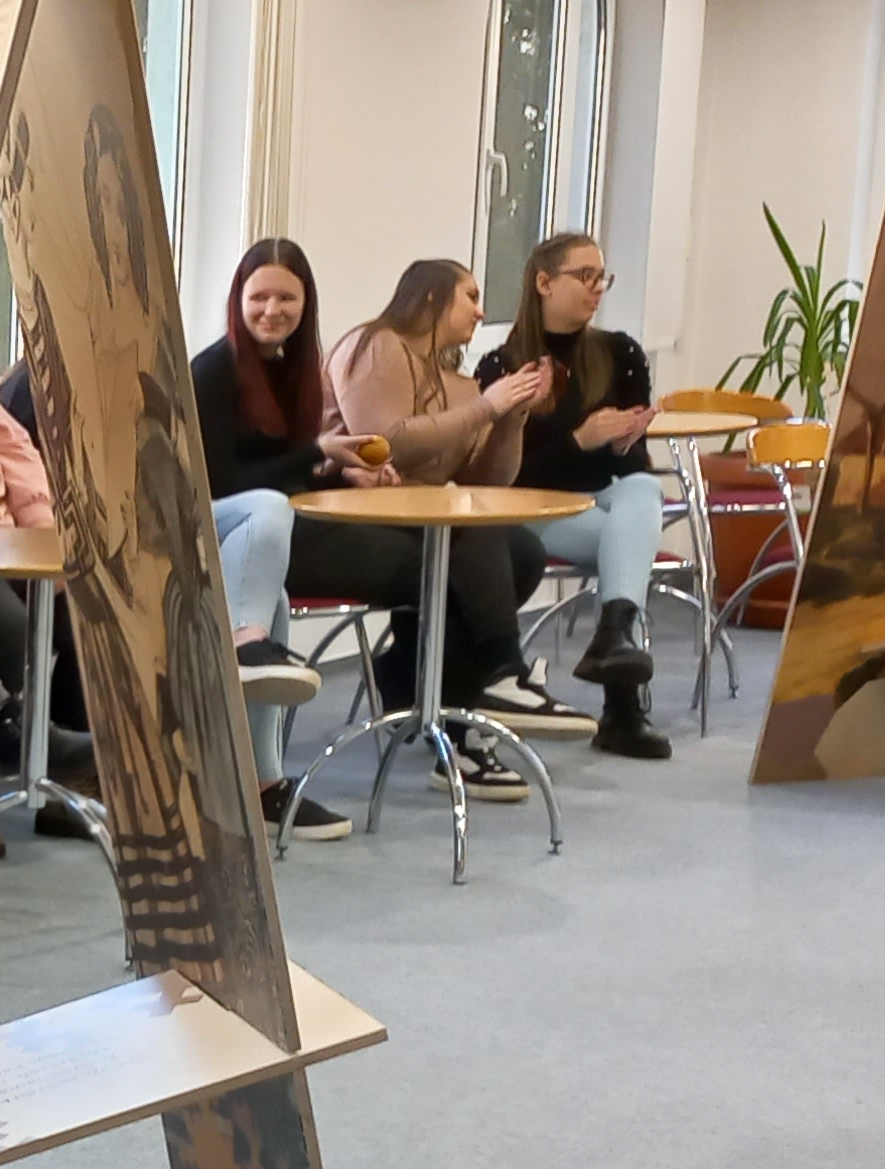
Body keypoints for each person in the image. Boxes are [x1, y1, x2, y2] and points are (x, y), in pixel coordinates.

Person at [192, 237, 442, 840]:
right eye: (259, 297)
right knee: (270, 510)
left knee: (274, 600)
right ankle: (247, 644)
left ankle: (264, 784)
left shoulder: (294, 369)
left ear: (307, 303)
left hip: (255, 530)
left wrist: (338, 471)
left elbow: (279, 468)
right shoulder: (213, 369)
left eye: (286, 298)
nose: (271, 310)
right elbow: (217, 481)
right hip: (199, 523)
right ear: (238, 299)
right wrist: (315, 452)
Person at [324, 257, 577, 786]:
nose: (481, 313)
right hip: (349, 518)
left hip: (418, 522)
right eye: (471, 297)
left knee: (522, 552)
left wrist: (511, 417)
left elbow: (486, 479)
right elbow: (382, 442)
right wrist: (485, 408)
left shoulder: (459, 383)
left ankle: (424, 683)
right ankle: (496, 681)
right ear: (432, 298)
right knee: (464, 541)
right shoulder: (376, 345)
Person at [477, 231, 675, 758]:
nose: (597, 288)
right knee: (628, 539)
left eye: (602, 277)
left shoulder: (620, 353)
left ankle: (613, 635)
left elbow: (629, 464)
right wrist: (579, 441)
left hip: (607, 501)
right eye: (585, 276)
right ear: (544, 283)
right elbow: (505, 478)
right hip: (534, 513)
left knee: (641, 487)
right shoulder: (502, 367)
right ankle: (622, 707)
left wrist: (625, 441)